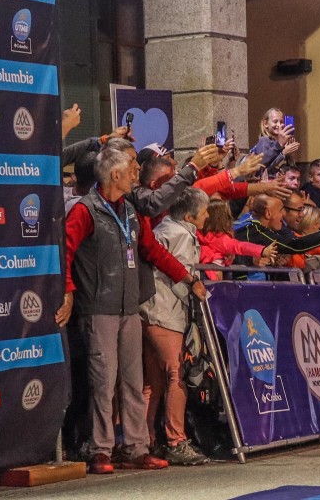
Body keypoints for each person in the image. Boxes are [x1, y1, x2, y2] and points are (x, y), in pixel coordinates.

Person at [57, 148, 207, 474]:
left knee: (133, 382)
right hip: (98, 309)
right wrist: (68, 293)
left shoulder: (130, 211)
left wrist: (187, 278)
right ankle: (100, 450)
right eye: (132, 168)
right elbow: (64, 254)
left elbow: (152, 250)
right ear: (115, 175)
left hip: (129, 309)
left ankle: (137, 448)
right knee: (103, 381)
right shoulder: (85, 211)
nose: (136, 172)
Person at [140, 188, 210, 466]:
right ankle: (176, 441)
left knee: (151, 383)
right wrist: (199, 293)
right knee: (175, 377)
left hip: (148, 313)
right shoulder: (181, 235)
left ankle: (143, 441)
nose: (207, 216)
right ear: (191, 216)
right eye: (204, 212)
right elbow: (180, 276)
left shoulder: (163, 228)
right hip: (166, 315)